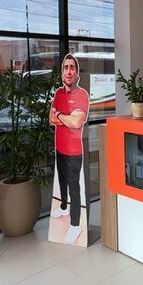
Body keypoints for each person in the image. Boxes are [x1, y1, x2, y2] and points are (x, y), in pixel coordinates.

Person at [49, 54, 89, 244]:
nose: (69, 71)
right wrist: (66, 117)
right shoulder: (58, 94)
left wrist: (60, 116)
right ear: (62, 73)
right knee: (62, 180)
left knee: (74, 187)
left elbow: (76, 122)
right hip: (60, 147)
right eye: (66, 67)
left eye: (72, 67)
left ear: (77, 73)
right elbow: (51, 118)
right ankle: (64, 206)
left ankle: (75, 225)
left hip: (74, 151)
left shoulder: (82, 95)